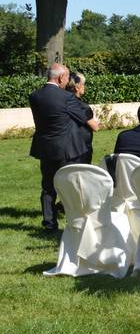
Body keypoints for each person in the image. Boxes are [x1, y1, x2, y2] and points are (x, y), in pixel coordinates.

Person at [28, 63, 92, 231]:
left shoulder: (35, 96)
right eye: (67, 76)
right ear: (61, 77)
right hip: (66, 149)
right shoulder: (66, 98)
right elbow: (83, 117)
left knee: (48, 187)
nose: (67, 80)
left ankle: (49, 223)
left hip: (45, 148)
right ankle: (75, 222)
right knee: (70, 186)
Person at [65, 71, 99, 164]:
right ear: (77, 87)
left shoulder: (63, 102)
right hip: (81, 148)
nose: (84, 87)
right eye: (83, 84)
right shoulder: (82, 106)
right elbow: (95, 127)